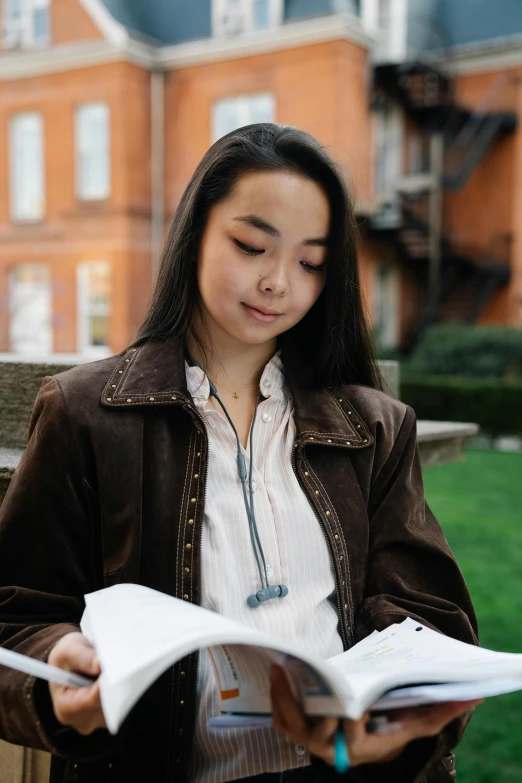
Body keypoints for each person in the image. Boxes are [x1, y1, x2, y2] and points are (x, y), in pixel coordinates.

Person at [0, 124, 478, 783]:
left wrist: (390, 718)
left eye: (311, 261)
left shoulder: (373, 426)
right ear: (195, 231)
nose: (279, 281)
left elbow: (429, 616)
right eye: (252, 245)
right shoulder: (85, 413)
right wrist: (57, 670)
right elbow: (16, 611)